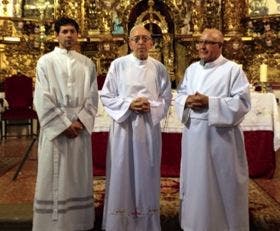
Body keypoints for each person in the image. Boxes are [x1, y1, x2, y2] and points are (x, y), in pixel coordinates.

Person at [175, 28, 251, 231]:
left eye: (208, 42)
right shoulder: (192, 69)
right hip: (194, 136)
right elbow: (180, 94)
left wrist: (210, 102)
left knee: (222, 183)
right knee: (197, 184)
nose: (202, 46)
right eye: (200, 42)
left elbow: (242, 103)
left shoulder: (233, 70)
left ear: (220, 46)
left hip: (220, 138)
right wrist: (187, 100)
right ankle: (195, 224)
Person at [100, 25, 172, 231]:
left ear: (152, 42)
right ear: (129, 42)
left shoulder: (159, 68)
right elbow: (106, 95)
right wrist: (129, 105)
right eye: (136, 38)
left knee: (147, 171)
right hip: (124, 128)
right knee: (122, 169)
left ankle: (147, 222)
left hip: (148, 128)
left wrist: (151, 106)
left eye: (145, 38)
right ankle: (119, 222)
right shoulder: (118, 65)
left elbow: (166, 98)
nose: (141, 42)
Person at [32, 17, 99, 231]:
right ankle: (52, 225)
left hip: (79, 129)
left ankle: (78, 223)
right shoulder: (45, 61)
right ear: (57, 35)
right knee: (53, 178)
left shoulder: (87, 63)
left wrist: (79, 121)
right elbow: (41, 96)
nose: (69, 35)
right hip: (57, 131)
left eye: (72, 31)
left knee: (77, 177)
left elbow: (92, 96)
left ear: (77, 34)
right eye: (64, 31)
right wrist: (63, 125)